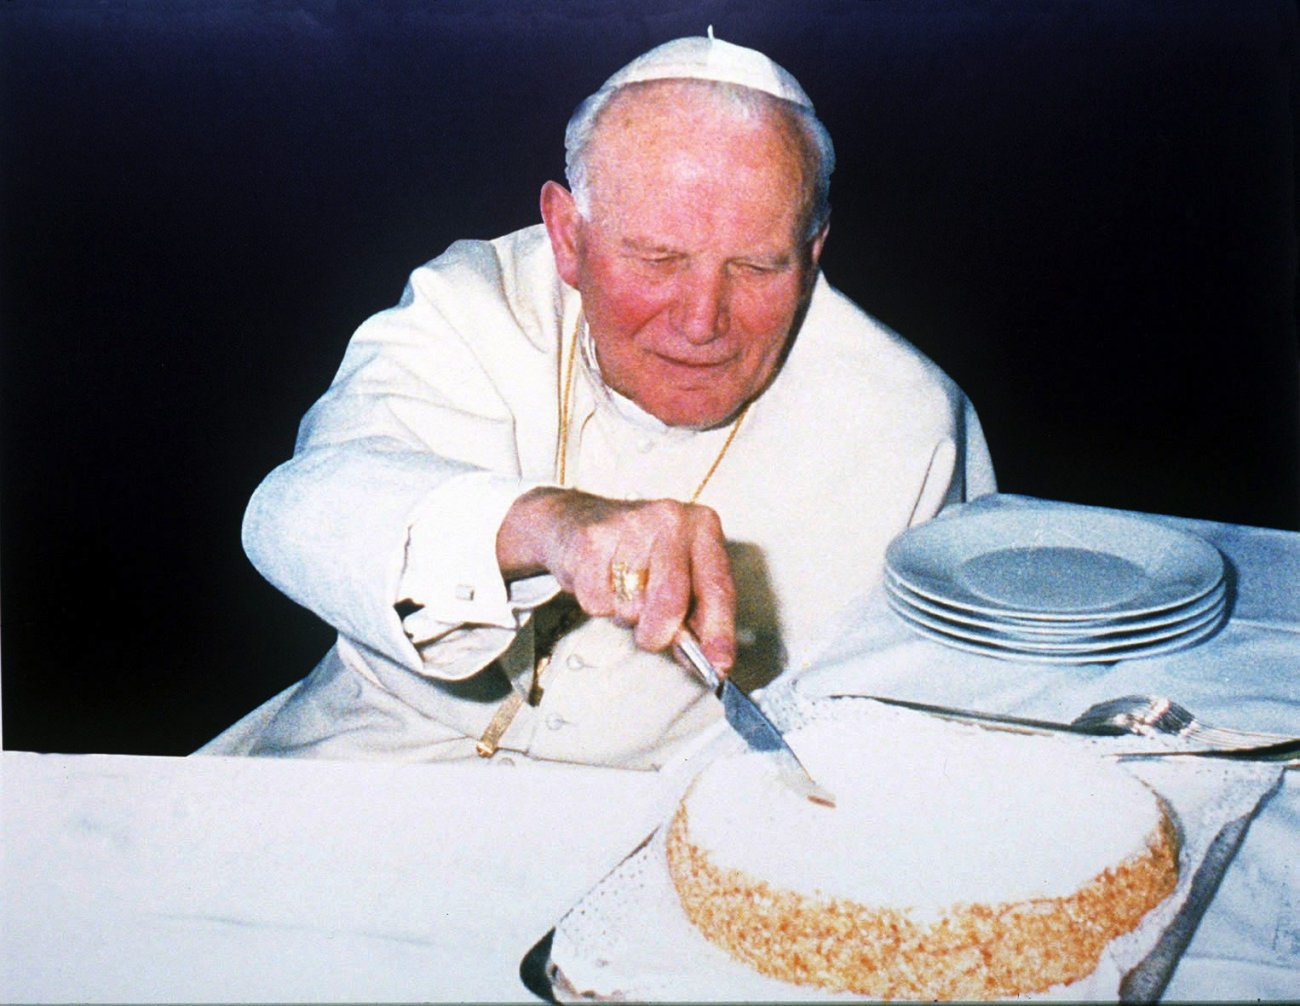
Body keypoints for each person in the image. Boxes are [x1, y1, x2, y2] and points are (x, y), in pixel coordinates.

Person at [198, 33, 996, 768]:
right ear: (568, 235)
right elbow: (294, 514)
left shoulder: (910, 421)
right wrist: (549, 525)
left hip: (671, 825)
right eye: (656, 258)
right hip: (359, 767)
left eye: (757, 268)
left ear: (813, 250)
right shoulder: (469, 303)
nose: (701, 322)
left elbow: (942, 718)